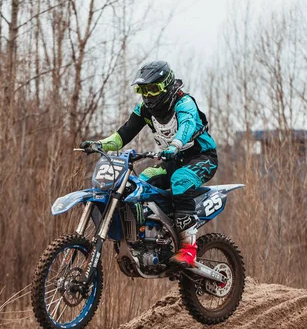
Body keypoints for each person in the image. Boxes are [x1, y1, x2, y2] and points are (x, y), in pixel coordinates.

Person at [80, 61, 218, 267]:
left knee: (180, 181)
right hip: (172, 159)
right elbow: (122, 135)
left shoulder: (184, 103)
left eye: (153, 89)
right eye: (143, 90)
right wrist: (99, 144)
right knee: (139, 183)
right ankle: (149, 235)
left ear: (168, 85)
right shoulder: (144, 110)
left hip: (201, 157)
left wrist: (175, 145)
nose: (149, 95)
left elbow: (188, 125)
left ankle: (188, 249)